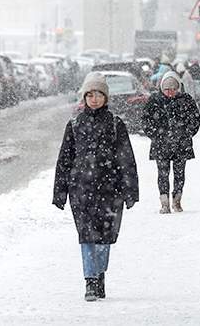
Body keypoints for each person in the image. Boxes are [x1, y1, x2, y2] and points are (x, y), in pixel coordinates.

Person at [53, 73, 139, 302]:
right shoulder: (74, 125)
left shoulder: (115, 124)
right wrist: (60, 192)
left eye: (98, 94)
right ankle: (90, 280)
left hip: (110, 190)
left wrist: (130, 190)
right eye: (89, 95)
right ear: (84, 98)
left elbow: (126, 158)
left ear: (105, 97)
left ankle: (100, 274)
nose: (94, 99)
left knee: (105, 237)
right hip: (81, 189)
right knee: (87, 236)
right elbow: (64, 159)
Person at [142, 71, 200, 214]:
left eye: (173, 89)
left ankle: (177, 200)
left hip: (181, 144)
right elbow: (146, 121)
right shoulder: (154, 101)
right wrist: (156, 135)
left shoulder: (186, 100)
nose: (170, 92)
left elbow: (195, 119)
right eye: (167, 89)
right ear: (162, 88)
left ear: (178, 88)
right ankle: (164, 203)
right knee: (162, 174)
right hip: (161, 145)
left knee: (179, 173)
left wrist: (186, 134)